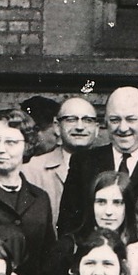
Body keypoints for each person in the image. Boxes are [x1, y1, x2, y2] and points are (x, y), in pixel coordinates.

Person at [58, 86, 138, 237]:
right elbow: (68, 225)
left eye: (131, 119)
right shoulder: (84, 162)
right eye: (115, 120)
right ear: (105, 121)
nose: (123, 128)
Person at [0, 107, 57, 275]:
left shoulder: (40, 198)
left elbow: (48, 259)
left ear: (27, 145)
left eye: (10, 142)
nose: (1, 149)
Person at [25, 96, 99, 224]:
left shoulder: (110, 166)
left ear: (97, 129)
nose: (80, 127)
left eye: (87, 120)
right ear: (57, 127)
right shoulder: (31, 170)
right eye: (71, 120)